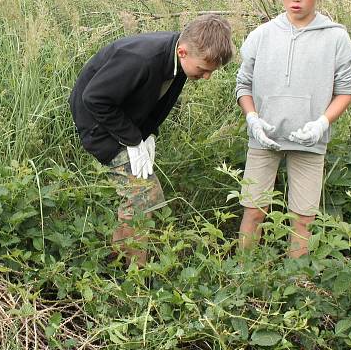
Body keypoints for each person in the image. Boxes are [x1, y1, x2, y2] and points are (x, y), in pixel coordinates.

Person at [70, 14, 234, 266]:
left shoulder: (179, 62)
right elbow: (94, 99)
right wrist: (133, 140)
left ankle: (115, 258)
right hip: (99, 123)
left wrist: (149, 135)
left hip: (123, 121)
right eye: (203, 69)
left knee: (140, 196)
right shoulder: (142, 59)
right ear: (183, 51)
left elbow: (156, 103)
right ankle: (137, 273)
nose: (206, 77)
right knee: (144, 196)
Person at [235, 0, 351, 258]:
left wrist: (321, 124)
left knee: (302, 218)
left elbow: (345, 91)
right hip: (265, 137)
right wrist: (252, 119)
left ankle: (296, 282)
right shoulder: (261, 35)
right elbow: (243, 85)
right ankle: (243, 275)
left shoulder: (336, 37)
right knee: (253, 211)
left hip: (309, 141)